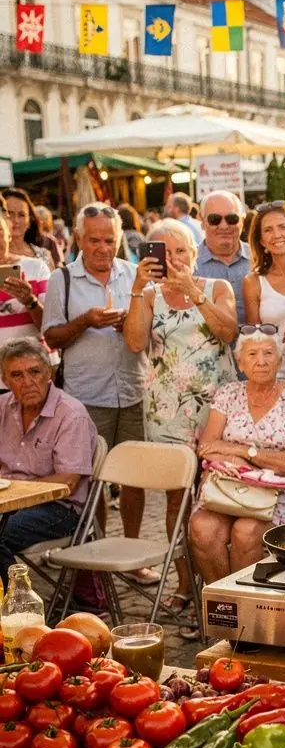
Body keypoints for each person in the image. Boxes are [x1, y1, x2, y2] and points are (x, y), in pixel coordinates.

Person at [123, 219, 238, 613]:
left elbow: (228, 332)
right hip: (167, 412)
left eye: (181, 251)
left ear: (195, 253)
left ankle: (221, 587)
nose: (173, 259)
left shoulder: (217, 288)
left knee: (221, 500)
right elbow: (135, 342)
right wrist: (138, 289)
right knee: (177, 503)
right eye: (163, 252)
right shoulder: (149, 295)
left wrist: (195, 294)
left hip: (218, 413)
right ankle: (185, 585)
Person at [42, 203, 150, 559]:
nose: (103, 248)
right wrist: (86, 320)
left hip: (132, 389)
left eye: (109, 239)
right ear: (78, 239)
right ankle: (99, 552)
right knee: (94, 483)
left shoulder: (134, 274)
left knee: (135, 478)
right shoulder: (63, 279)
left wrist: (128, 324)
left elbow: (149, 333)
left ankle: (133, 557)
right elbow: (53, 337)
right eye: (94, 241)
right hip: (86, 396)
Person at [189, 331, 285, 583]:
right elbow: (207, 446)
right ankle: (222, 604)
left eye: (268, 353)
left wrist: (245, 453)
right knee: (202, 529)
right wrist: (240, 464)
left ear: (279, 361)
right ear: (240, 363)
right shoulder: (228, 394)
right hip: (227, 487)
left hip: (279, 494)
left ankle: (245, 607)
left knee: (245, 532)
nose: (261, 361)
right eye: (252, 354)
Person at [0, 339, 97, 586]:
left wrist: (16, 494)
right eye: (17, 375)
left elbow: (68, 482)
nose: (28, 382)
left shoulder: (70, 413)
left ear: (48, 373)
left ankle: (17, 603)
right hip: (9, 504)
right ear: (5, 381)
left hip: (60, 508)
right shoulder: (2, 407)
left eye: (34, 372)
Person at [243, 201, 285, 379]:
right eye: (268, 230)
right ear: (261, 241)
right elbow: (254, 338)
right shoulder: (253, 281)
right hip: (276, 377)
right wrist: (277, 335)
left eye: (282, 227)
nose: (277, 235)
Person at [0, 193, 50, 351]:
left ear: (8, 234)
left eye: (0, 231)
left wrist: (30, 301)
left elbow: (52, 326)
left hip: (32, 363)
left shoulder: (37, 268)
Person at [196, 191, 250, 325]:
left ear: (242, 221)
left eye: (232, 219)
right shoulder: (188, 264)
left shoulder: (261, 259)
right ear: (202, 222)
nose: (224, 226)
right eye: (215, 219)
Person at [4, 188, 51, 267]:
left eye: (21, 215)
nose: (16, 220)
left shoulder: (43, 256)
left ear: (30, 220)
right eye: (10, 214)